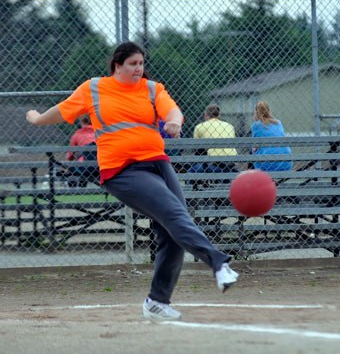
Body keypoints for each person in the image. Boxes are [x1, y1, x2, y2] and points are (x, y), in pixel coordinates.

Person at [26, 41, 239, 322]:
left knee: (172, 231)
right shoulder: (94, 88)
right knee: (174, 213)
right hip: (123, 170)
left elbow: (172, 110)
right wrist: (37, 118)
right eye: (132, 64)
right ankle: (218, 263)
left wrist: (174, 122)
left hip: (158, 163)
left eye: (141, 64)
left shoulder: (152, 89)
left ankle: (157, 302)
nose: (139, 69)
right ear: (118, 65)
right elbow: (62, 110)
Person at [189, 104, 238, 179]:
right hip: (230, 163)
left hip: (213, 163)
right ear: (218, 115)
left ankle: (194, 189)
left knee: (192, 171)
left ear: (205, 114)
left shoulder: (200, 127)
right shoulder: (229, 126)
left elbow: (196, 148)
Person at [251, 101, 293, 171]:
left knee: (253, 149)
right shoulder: (278, 123)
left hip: (266, 164)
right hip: (286, 163)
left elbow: (255, 146)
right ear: (269, 111)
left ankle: (252, 173)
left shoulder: (256, 125)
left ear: (256, 112)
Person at [64, 115, 98, 187]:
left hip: (83, 166)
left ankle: (75, 189)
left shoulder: (77, 135)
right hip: (101, 165)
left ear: (82, 122)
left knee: (72, 167)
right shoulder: (100, 133)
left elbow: (70, 156)